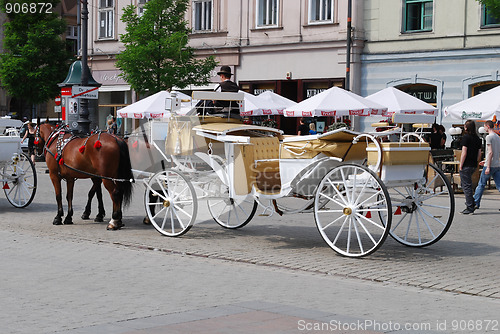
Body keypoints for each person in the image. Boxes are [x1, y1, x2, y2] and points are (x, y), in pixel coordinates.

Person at [473, 120, 500, 210]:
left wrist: (487, 165)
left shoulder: (489, 137)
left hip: (490, 165)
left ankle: (476, 202)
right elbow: (496, 152)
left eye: (484, 126)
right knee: (499, 185)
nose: (484, 128)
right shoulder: (497, 137)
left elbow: (490, 152)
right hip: (497, 164)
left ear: (488, 126)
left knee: (481, 184)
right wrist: (486, 161)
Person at [459, 120, 482, 214]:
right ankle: (472, 202)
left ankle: (470, 206)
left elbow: (464, 152)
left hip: (466, 164)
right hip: (473, 164)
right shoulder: (478, 138)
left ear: (466, 127)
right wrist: (476, 161)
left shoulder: (466, 138)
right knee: (467, 184)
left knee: (466, 186)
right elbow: (479, 153)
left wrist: (461, 164)